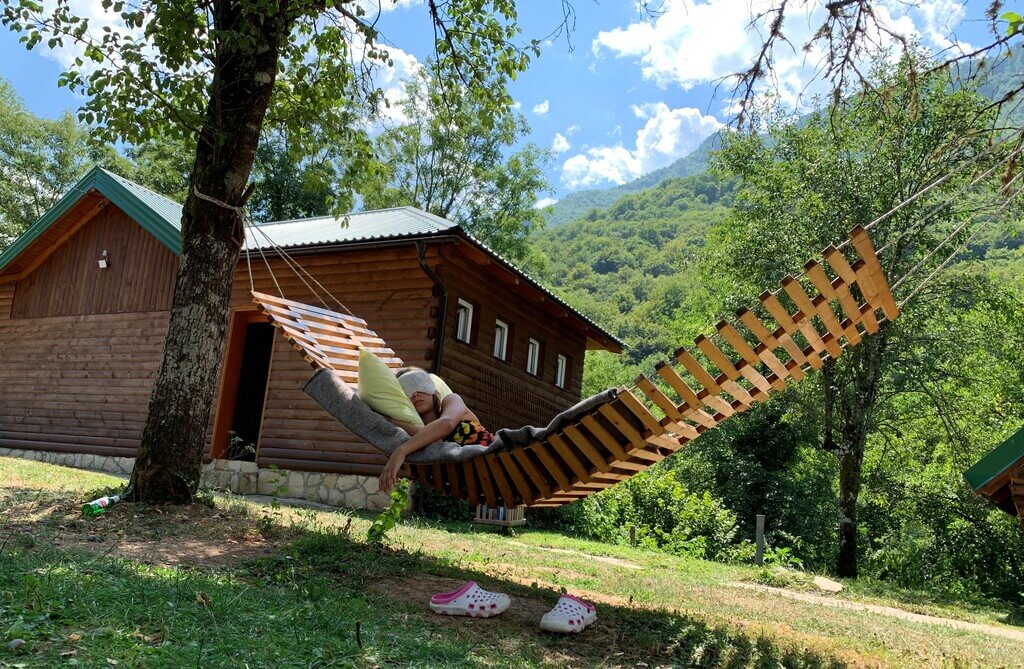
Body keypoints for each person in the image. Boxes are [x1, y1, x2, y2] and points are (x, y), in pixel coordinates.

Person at [378, 367, 494, 493]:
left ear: (432, 389)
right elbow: (436, 443)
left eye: (419, 384)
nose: (415, 394)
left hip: (498, 458)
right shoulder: (415, 439)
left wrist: (401, 451)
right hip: (477, 481)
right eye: (407, 390)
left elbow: (446, 423)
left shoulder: (451, 400)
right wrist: (394, 422)